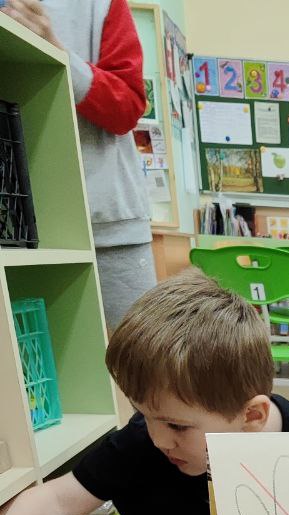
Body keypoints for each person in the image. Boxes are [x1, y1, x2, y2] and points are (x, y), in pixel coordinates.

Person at [0, 271, 289, 515]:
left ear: (252, 416)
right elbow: (59, 501)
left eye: (177, 426)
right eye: (143, 413)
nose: (159, 439)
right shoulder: (142, 440)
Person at [1, 0, 157, 328]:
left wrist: (59, 55)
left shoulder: (99, 4)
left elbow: (129, 105)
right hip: (17, 225)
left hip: (106, 228)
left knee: (143, 353)